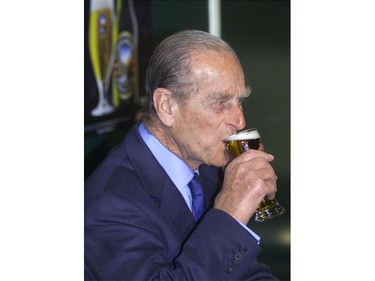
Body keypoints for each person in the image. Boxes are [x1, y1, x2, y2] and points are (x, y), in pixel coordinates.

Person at [85, 30, 279, 280]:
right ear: (167, 106)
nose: (239, 121)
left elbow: (244, 272)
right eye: (220, 103)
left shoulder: (207, 167)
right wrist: (231, 214)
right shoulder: (109, 205)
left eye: (239, 101)